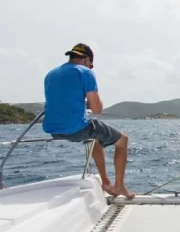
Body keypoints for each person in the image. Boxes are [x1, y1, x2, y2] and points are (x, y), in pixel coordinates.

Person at [43, 44, 135, 198]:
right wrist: (94, 103)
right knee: (122, 140)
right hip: (76, 129)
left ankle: (106, 182)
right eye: (91, 65)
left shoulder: (51, 74)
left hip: (53, 130)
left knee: (95, 139)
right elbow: (97, 109)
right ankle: (119, 187)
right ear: (86, 60)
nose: (90, 68)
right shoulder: (85, 72)